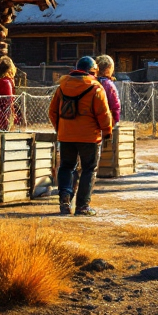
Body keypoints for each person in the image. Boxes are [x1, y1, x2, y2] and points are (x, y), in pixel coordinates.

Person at [47, 56, 113, 215]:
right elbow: (103, 114)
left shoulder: (62, 86)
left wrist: (61, 128)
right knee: (89, 169)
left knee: (66, 167)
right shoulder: (96, 88)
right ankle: (82, 206)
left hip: (66, 136)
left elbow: (52, 112)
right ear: (92, 71)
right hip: (89, 137)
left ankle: (65, 201)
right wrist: (107, 132)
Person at [94, 55, 122, 127]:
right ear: (108, 69)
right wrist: (116, 121)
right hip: (104, 121)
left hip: (90, 122)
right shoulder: (108, 84)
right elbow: (115, 104)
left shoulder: (91, 81)